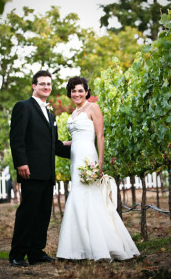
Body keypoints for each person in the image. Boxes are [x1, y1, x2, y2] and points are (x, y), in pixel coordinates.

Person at [56, 76, 140, 261]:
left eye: (80, 90)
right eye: (73, 90)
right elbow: (77, 138)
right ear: (70, 93)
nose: (77, 94)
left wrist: (100, 163)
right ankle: (80, 248)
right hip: (75, 160)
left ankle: (102, 246)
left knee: (91, 198)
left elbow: (99, 136)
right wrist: (61, 142)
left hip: (88, 159)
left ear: (87, 91)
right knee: (78, 197)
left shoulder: (93, 108)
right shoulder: (74, 113)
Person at [9, 70, 70, 267]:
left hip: (47, 173)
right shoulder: (23, 107)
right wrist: (21, 162)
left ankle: (36, 252)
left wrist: (81, 146)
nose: (46, 87)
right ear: (34, 86)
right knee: (28, 212)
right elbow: (17, 138)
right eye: (42, 84)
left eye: (49, 84)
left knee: (43, 213)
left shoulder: (51, 114)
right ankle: (17, 254)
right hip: (30, 171)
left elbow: (55, 145)